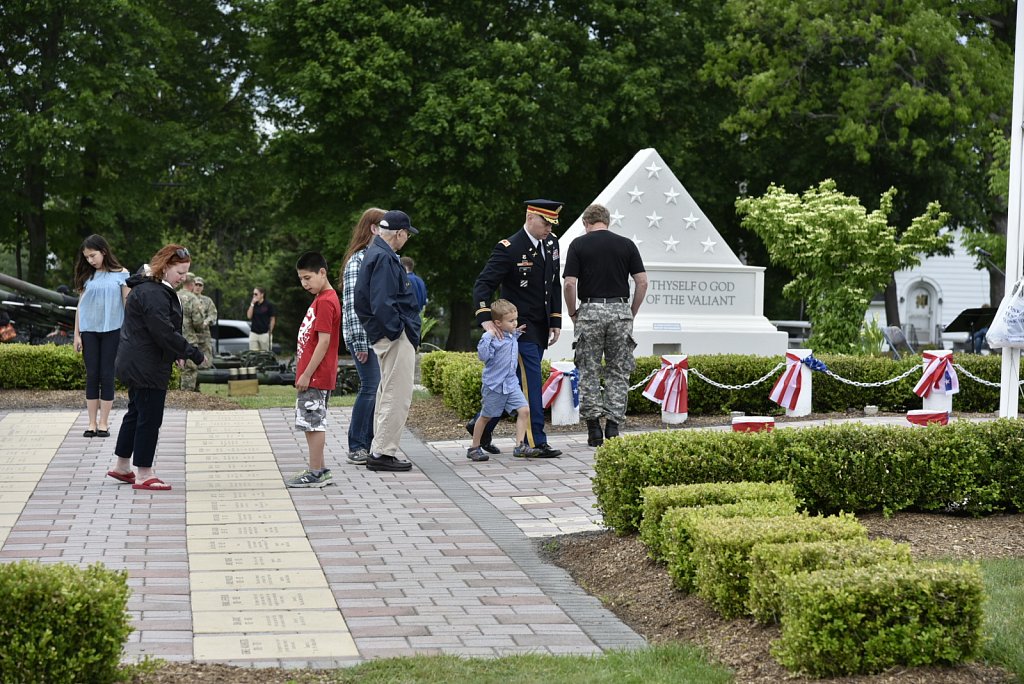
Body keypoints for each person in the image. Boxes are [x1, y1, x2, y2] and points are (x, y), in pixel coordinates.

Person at [469, 199, 564, 458]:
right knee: (531, 383)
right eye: (545, 223)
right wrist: (486, 318)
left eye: (552, 224)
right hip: (518, 330)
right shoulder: (509, 248)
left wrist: (555, 319)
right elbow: (483, 284)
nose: (549, 229)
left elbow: (553, 284)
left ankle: (481, 426)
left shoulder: (552, 243)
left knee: (511, 383)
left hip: (541, 325)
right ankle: (534, 442)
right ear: (531, 217)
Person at [107, 245, 205, 491]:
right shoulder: (153, 291)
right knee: (149, 418)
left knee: (136, 413)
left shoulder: (149, 287)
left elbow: (157, 331)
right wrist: (191, 352)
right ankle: (144, 473)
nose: (184, 278)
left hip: (138, 360)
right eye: (181, 272)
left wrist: (174, 353)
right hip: (146, 365)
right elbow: (162, 330)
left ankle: (122, 466)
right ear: (166, 266)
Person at [563, 203, 648, 447]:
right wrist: (630, 312)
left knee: (588, 369)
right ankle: (612, 426)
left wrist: (572, 312)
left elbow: (569, 284)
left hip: (589, 310)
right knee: (618, 370)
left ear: (585, 223)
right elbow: (642, 282)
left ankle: (593, 430)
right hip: (620, 310)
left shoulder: (578, 245)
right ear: (607, 221)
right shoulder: (626, 244)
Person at [353, 209, 422, 473]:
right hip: (394, 336)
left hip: (387, 334)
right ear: (400, 234)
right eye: (407, 235)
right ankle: (383, 452)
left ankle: (379, 448)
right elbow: (380, 302)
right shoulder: (383, 257)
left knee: (387, 392)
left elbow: (363, 299)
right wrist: (396, 331)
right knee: (397, 394)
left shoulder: (375, 253)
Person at [285, 252, 342, 488]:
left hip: (315, 375)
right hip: (313, 374)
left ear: (322, 273)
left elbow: (324, 341)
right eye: (301, 279)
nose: (304, 284)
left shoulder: (327, 301)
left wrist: (307, 373)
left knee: (314, 422)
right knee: (311, 421)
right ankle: (319, 467)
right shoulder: (322, 298)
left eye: (308, 277)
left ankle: (316, 472)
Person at [467, 299, 542, 462]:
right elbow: (483, 356)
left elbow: (511, 338)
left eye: (516, 319)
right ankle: (474, 447)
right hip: (494, 385)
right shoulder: (492, 338)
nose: (515, 323)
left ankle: (520, 445)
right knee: (486, 417)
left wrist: (516, 331)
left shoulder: (510, 335)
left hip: (511, 384)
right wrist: (488, 335)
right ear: (497, 323)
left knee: (524, 410)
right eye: (511, 321)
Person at [72, 234, 130, 438]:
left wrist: (129, 334)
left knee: (107, 375)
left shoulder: (121, 274)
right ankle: (91, 423)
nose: (90, 260)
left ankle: (104, 423)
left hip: (113, 330)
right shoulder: (87, 276)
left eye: (93, 255)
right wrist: (76, 335)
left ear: (103, 252)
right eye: (86, 257)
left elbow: (127, 304)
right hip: (89, 331)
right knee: (92, 375)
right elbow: (81, 307)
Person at [340, 208, 384, 466]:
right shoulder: (358, 261)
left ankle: (366, 443)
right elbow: (354, 305)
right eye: (385, 225)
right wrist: (359, 342)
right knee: (369, 388)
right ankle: (357, 445)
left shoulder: (375, 257)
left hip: (377, 338)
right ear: (373, 228)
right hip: (364, 339)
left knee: (375, 389)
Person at [176, 273, 206, 391]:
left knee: (176, 371)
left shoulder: (174, 295)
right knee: (189, 371)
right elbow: (198, 322)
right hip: (189, 341)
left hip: (174, 339)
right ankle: (186, 398)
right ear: (192, 284)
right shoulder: (193, 298)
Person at [192, 277, 217, 371]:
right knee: (190, 364)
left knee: (205, 363)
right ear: (192, 285)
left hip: (204, 335)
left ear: (202, 287)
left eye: (200, 285)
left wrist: (206, 321)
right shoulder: (188, 299)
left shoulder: (207, 300)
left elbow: (213, 314)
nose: (197, 287)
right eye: (196, 284)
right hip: (191, 335)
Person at [247, 286, 276, 351]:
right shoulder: (254, 305)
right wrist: (252, 304)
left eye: (256, 294)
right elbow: (249, 316)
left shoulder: (268, 304)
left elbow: (272, 319)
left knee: (265, 355)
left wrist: (270, 331)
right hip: (254, 333)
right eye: (253, 294)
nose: (254, 296)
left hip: (264, 333)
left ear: (262, 294)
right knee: (254, 354)